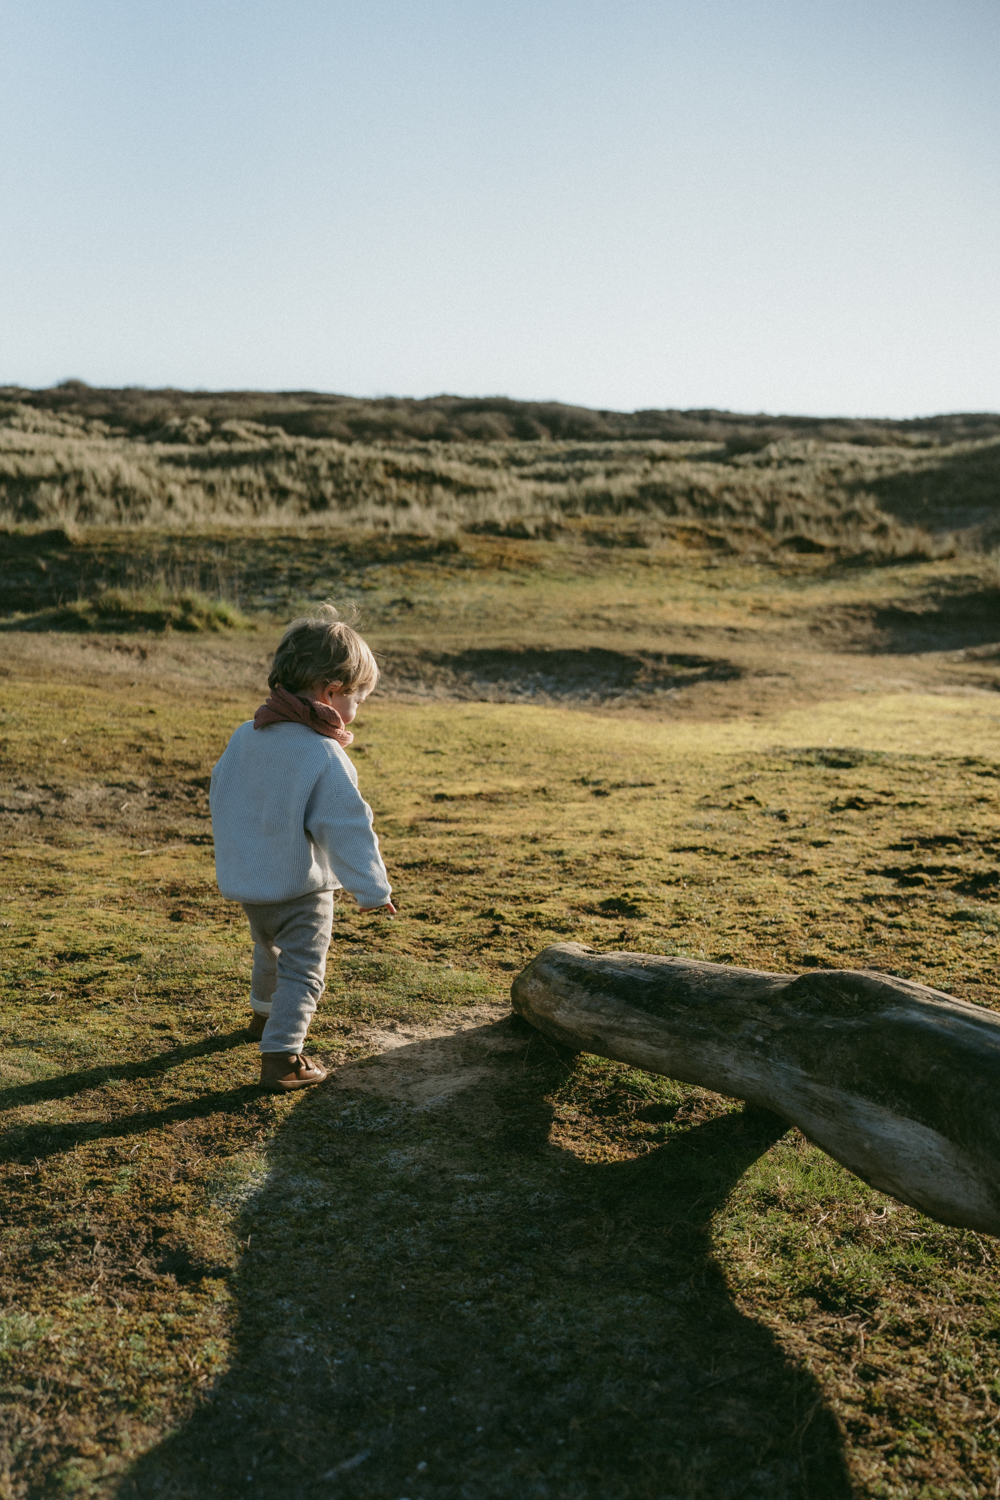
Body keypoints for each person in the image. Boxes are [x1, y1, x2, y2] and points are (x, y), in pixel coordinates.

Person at [210, 604, 395, 1092]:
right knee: (304, 972)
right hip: (301, 890)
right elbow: (347, 825)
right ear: (331, 691)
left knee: (266, 951)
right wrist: (373, 888)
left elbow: (225, 796)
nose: (357, 710)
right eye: (359, 698)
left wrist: (238, 859)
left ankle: (261, 1019)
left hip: (252, 885)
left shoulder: (246, 736)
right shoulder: (321, 753)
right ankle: (283, 1056)